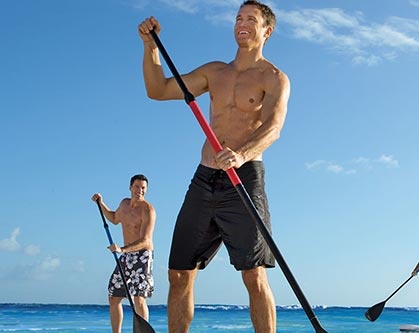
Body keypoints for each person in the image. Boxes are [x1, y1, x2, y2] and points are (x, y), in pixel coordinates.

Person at [137, 1, 289, 332]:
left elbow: (274, 127)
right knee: (178, 273)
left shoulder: (273, 77)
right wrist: (150, 47)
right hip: (204, 179)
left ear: (267, 30)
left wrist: (242, 153)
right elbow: (158, 90)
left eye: (250, 19)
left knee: (253, 274)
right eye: (238, 18)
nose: (241, 23)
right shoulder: (215, 72)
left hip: (244, 178)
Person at [92, 174, 156, 333]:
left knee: (138, 298)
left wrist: (122, 249)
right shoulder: (124, 204)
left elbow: (146, 240)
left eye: (143, 188)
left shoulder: (148, 210)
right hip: (126, 256)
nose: (139, 191)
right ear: (130, 187)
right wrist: (100, 204)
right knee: (113, 297)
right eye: (137, 187)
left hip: (142, 256)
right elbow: (114, 218)